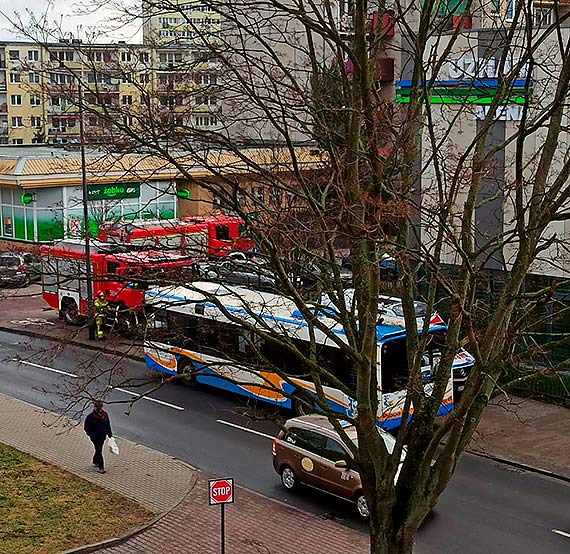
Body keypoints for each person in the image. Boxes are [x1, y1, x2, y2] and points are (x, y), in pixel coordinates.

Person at [84, 400, 113, 474]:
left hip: (102, 436)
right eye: (97, 407)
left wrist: (110, 435)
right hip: (95, 437)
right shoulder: (90, 417)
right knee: (99, 450)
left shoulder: (105, 415)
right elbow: (87, 428)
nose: (99, 409)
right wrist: (92, 435)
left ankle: (95, 460)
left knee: (98, 449)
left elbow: (107, 425)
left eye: (100, 407)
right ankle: (101, 467)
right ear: (94, 407)